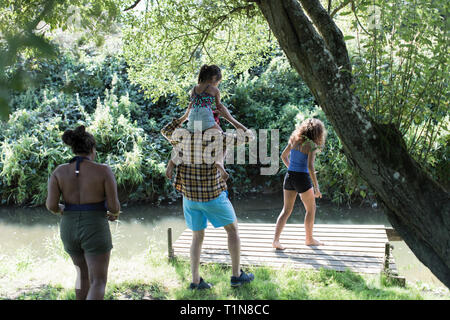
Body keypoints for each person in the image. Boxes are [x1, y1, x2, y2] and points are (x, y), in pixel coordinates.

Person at [161, 103, 255, 289]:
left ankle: (195, 281)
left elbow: (165, 131)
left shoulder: (184, 138)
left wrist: (184, 115)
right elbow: (249, 136)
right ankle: (236, 276)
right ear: (211, 122)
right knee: (233, 231)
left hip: (190, 199)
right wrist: (229, 117)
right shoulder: (219, 138)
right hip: (213, 196)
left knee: (197, 236)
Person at [46, 125, 120, 300]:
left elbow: (51, 205)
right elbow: (114, 207)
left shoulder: (59, 172)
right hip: (94, 228)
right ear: (92, 149)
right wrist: (114, 214)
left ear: (73, 149)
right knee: (98, 281)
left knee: (81, 275)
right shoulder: (103, 170)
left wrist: (63, 209)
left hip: (69, 229)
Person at [165, 64, 228, 182]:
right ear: (214, 78)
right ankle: (219, 162)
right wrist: (219, 113)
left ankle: (172, 163)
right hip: (206, 117)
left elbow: (197, 105)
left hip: (192, 118)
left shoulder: (193, 89)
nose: (217, 84)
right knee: (223, 139)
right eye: (217, 82)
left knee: (186, 143)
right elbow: (219, 107)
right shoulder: (214, 90)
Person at [272, 118, 327, 250]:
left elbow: (283, 156)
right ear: (317, 133)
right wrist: (316, 188)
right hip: (302, 178)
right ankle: (309, 239)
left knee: (286, 210)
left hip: (290, 176)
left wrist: (292, 168)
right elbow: (310, 167)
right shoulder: (311, 145)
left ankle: (276, 241)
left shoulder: (294, 140)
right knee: (311, 208)